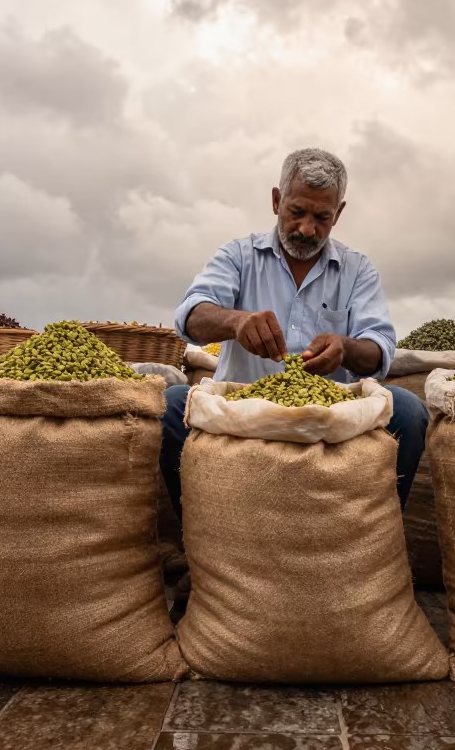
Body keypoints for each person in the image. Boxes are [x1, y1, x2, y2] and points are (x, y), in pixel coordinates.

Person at [160, 147, 428, 528]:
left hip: (332, 417)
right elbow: (191, 315)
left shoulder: (357, 270)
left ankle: (367, 537)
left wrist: (345, 348)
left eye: (322, 217)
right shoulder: (238, 256)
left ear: (339, 213)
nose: (307, 229)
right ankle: (203, 543)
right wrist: (236, 321)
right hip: (241, 410)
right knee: (171, 405)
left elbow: (378, 349)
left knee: (408, 411)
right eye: (296, 212)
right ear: (275, 200)